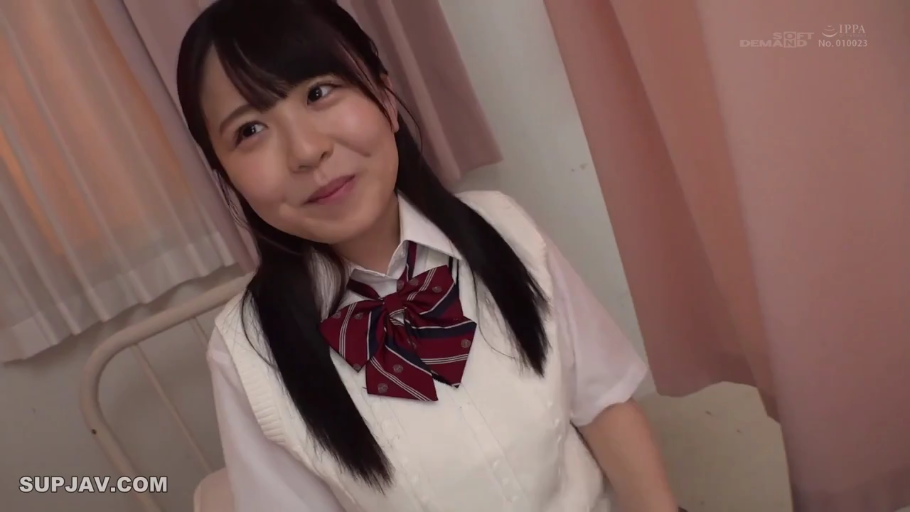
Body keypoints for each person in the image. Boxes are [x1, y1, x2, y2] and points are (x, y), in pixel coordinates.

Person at [176, 0, 679, 510]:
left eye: (318, 92)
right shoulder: (243, 355)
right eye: (249, 130)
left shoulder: (503, 226)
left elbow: (604, 406)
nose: (306, 150)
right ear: (226, 175)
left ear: (385, 97)